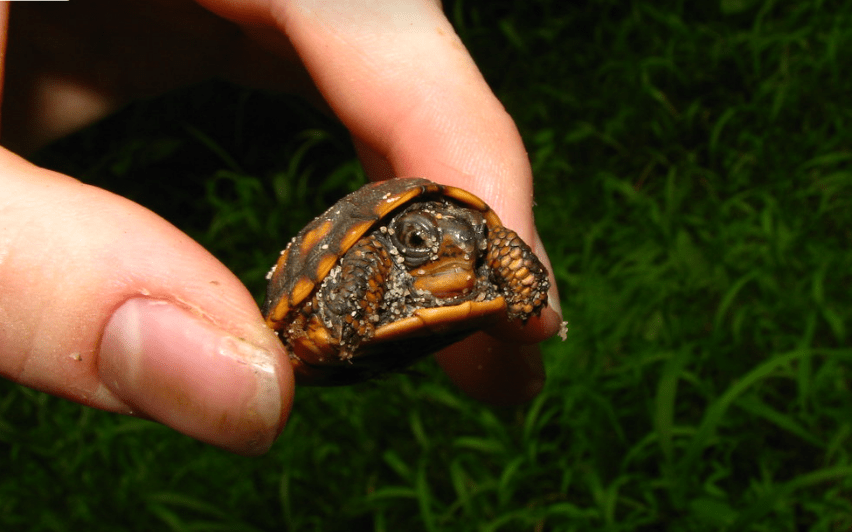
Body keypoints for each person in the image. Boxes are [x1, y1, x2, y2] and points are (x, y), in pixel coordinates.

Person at [0, 0, 562, 455]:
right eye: (419, 240)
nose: (456, 248)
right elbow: (362, 259)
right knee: (370, 262)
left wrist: (518, 275)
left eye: (467, 240)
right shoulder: (375, 258)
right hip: (331, 322)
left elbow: (495, 245)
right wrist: (350, 309)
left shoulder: (469, 247)